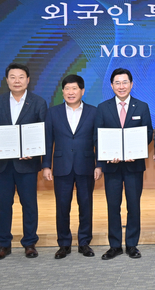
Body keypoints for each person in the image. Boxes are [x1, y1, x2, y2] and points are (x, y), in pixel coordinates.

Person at [0, 63, 47, 260]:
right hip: (2, 165)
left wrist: (35, 152)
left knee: (29, 204)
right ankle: (3, 244)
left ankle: (29, 243)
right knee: (3, 205)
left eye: (21, 77)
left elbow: (44, 132)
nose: (17, 80)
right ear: (7, 80)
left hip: (27, 164)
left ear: (28, 80)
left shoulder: (38, 102)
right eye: (13, 77)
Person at [94, 68, 153, 260]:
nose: (121, 86)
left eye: (125, 82)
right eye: (117, 83)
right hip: (112, 166)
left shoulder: (142, 106)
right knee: (113, 205)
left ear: (131, 84)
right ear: (111, 86)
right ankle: (114, 245)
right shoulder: (102, 108)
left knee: (133, 205)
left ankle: (132, 245)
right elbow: (98, 136)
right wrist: (104, 157)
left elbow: (148, 133)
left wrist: (135, 151)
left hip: (134, 166)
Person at [42, 75, 100, 259]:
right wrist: (46, 165)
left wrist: (99, 165)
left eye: (74, 88)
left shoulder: (93, 112)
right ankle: (64, 244)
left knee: (85, 205)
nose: (70, 92)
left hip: (86, 165)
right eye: (67, 89)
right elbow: (47, 140)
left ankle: (84, 242)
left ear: (82, 91)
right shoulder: (53, 112)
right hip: (61, 166)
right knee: (62, 206)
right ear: (62, 92)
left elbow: (98, 140)